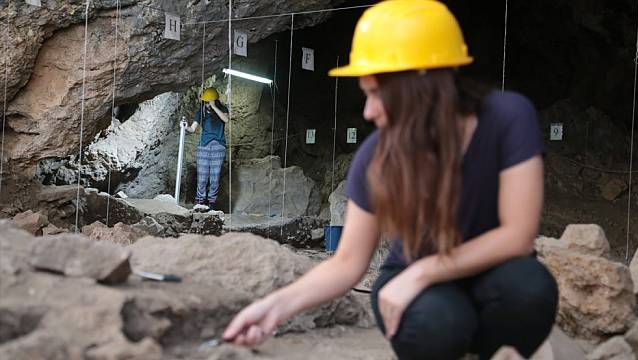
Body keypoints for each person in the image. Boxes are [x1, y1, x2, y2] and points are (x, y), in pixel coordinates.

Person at [223, 1, 558, 359]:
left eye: (375, 93)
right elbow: (347, 263)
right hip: (419, 289)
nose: (368, 112)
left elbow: (518, 236)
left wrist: (426, 271)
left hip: (490, 273)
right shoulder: (377, 157)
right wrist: (272, 308)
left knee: (530, 290)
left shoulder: (508, 117)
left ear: (421, 84)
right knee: (437, 326)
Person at [183, 87, 230, 212]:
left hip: (218, 146)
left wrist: (214, 107)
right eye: (205, 101)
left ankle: (212, 203)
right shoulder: (201, 112)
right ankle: (200, 202)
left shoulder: (223, 109)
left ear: (214, 100)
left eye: (208, 101)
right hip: (203, 146)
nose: (206, 103)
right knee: (202, 176)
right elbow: (193, 129)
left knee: (214, 177)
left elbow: (226, 119)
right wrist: (185, 127)